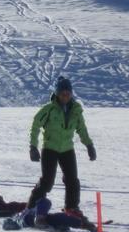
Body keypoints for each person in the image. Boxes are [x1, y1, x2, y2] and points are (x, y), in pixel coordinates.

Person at [27, 76, 96, 216]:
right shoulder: (49, 109)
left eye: (68, 93)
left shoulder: (76, 110)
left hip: (67, 150)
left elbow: (81, 129)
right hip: (50, 149)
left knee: (73, 181)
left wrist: (89, 145)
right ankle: (31, 206)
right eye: (62, 93)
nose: (65, 96)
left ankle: (71, 208)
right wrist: (33, 147)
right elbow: (35, 126)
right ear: (57, 94)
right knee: (47, 182)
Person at [4, 198, 98, 232]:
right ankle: (39, 220)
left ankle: (82, 224)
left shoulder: (27, 206)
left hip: (42, 218)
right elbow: (7, 224)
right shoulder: (17, 216)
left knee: (57, 217)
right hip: (26, 219)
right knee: (45, 202)